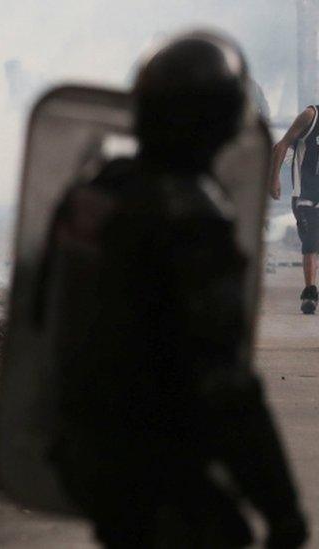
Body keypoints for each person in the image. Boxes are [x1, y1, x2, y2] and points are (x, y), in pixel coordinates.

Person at [42, 32, 308, 547]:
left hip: (92, 453)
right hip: (161, 458)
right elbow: (222, 381)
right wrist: (282, 508)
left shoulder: (98, 193)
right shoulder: (190, 219)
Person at [269, 104, 319, 313]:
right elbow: (281, 146)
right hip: (305, 195)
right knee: (311, 244)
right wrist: (274, 180)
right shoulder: (310, 116)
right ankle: (310, 292)